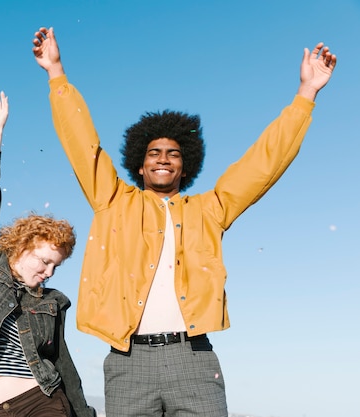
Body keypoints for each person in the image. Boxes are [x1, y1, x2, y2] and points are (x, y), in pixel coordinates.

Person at [33, 27, 337, 416]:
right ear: (139, 167)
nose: (163, 158)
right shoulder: (111, 199)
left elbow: (262, 164)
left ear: (185, 166)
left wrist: (306, 95)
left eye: (173, 154)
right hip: (128, 362)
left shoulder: (210, 209)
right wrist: (56, 73)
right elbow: (82, 144)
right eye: (154, 153)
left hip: (194, 359)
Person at [0, 90, 96, 417]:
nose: (49, 273)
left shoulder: (50, 302)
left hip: (41, 401)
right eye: (45, 261)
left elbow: (63, 365)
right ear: (22, 245)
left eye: (56, 266)